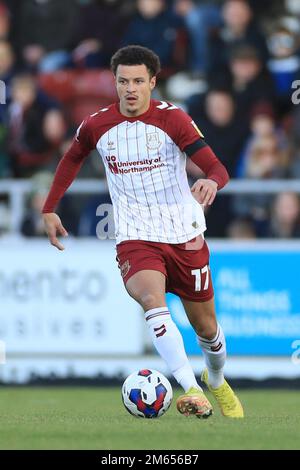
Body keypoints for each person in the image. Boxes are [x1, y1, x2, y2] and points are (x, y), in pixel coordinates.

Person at [42, 45, 243, 419]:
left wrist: (212, 183)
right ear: (114, 83)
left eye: (137, 81)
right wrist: (49, 207)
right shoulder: (96, 125)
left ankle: (215, 378)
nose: (130, 89)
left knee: (208, 330)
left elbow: (217, 167)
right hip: (135, 236)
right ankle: (193, 390)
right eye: (122, 81)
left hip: (185, 235)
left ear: (152, 82)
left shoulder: (174, 120)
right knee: (152, 301)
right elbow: (71, 157)